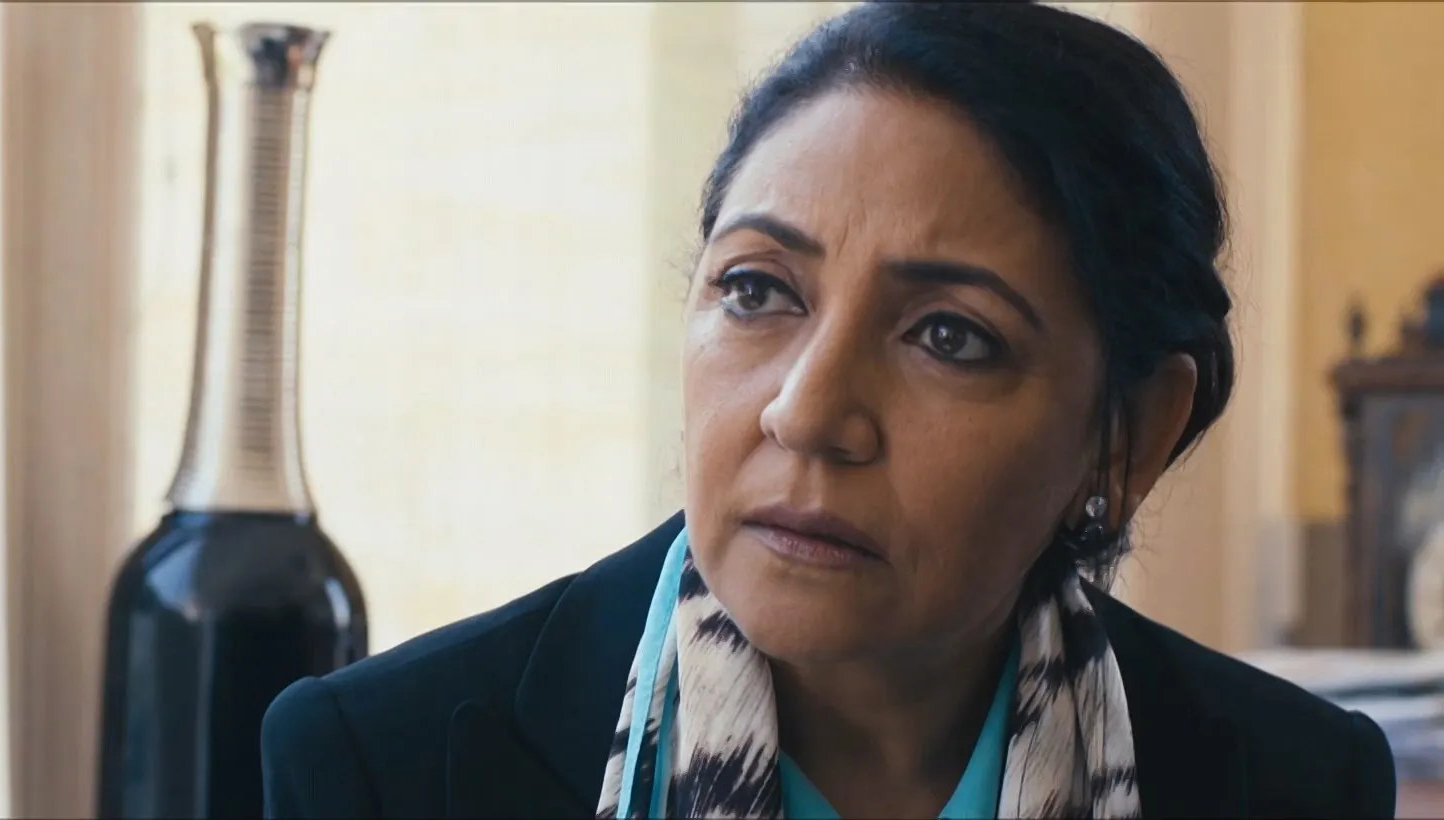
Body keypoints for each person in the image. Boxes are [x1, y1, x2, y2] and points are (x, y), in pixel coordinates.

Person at [260, 2, 1398, 818]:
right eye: (757, 291)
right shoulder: (387, 766)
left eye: (950, 336)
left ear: (1130, 434)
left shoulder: (1296, 783)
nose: (805, 414)